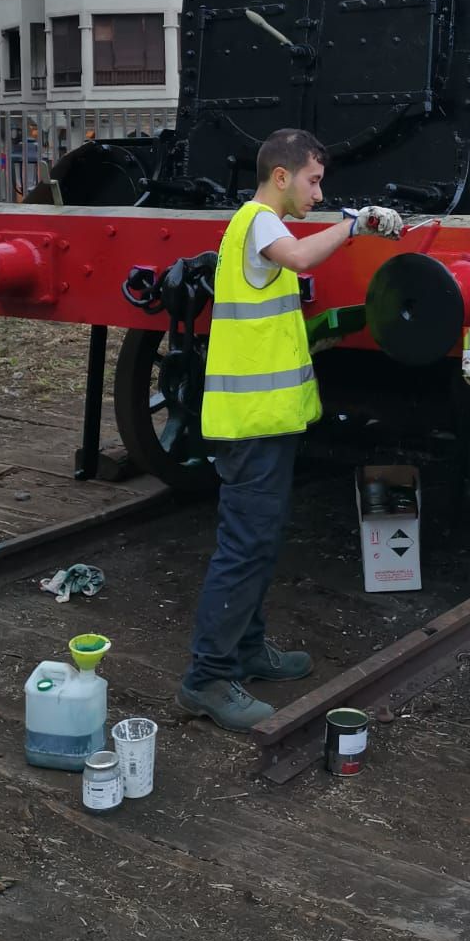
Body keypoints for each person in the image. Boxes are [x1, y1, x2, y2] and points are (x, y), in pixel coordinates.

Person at [178, 128, 403, 733]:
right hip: (249, 426)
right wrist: (356, 226)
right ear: (281, 177)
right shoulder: (257, 222)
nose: (318, 190)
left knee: (261, 539)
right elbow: (302, 257)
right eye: (313, 180)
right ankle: (206, 677)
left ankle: (247, 650)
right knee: (243, 547)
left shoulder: (261, 227)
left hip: (267, 422)